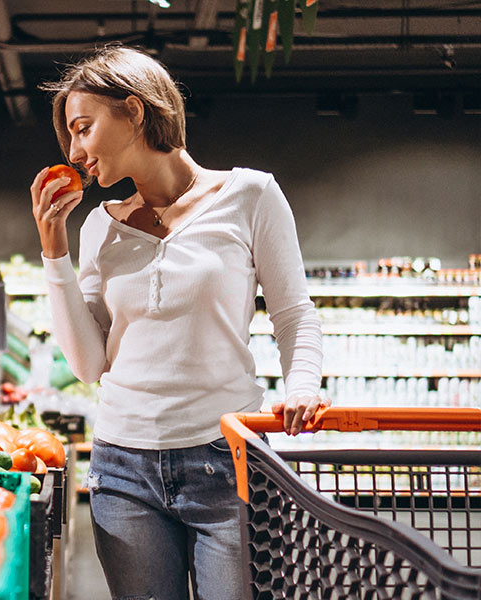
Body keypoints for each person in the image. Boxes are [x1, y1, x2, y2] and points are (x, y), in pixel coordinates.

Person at [30, 45, 326, 600]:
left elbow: (293, 314)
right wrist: (54, 251)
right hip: (121, 467)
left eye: (84, 128)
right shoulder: (99, 226)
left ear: (135, 111)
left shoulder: (250, 195)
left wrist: (302, 387)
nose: (75, 151)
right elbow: (89, 363)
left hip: (227, 458)